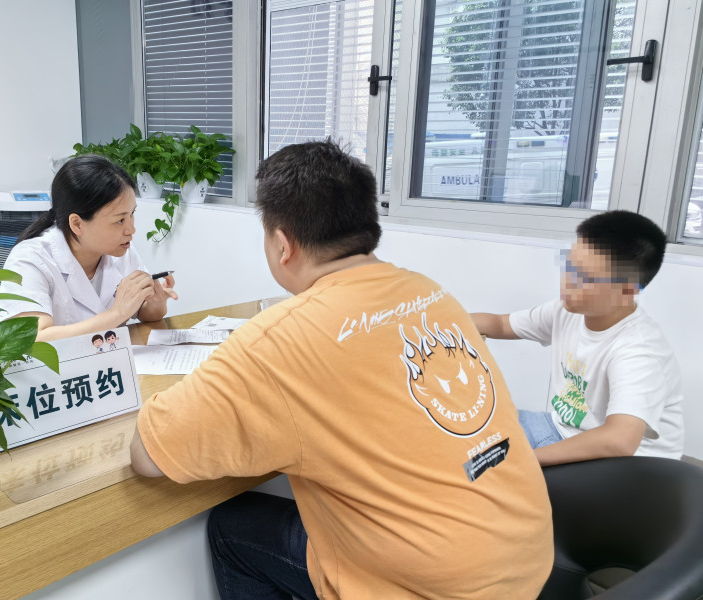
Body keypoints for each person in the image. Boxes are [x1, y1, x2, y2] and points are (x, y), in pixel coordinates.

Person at [130, 140, 553, 600]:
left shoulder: (279, 340)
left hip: (432, 590)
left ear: (282, 244)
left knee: (233, 529)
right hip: (527, 559)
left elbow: (148, 456)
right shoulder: (432, 294)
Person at [472, 210, 684, 467]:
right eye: (570, 265)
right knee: (469, 438)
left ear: (627, 291)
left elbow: (619, 440)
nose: (568, 282)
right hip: (562, 429)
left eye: (585, 277)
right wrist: (437, 317)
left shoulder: (639, 351)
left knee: (485, 470)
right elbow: (501, 324)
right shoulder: (567, 310)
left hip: (628, 465)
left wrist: (521, 461)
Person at [0, 155, 178, 342]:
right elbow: (33, 340)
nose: (131, 229)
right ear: (77, 224)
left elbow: (144, 313)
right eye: (120, 220)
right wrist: (117, 313)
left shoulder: (121, 251)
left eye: (132, 214)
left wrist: (156, 302)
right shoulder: (30, 260)